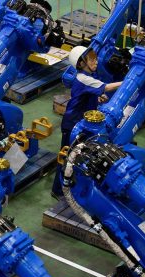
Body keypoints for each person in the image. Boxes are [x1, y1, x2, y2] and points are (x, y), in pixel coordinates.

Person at [51, 46, 123, 199]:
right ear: (82, 63)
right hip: (73, 124)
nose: (96, 62)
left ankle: (71, 185)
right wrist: (127, 81)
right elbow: (107, 87)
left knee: (76, 156)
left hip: (80, 122)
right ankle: (57, 190)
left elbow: (87, 94)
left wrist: (97, 98)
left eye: (96, 59)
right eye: (92, 60)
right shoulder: (84, 79)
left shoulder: (87, 77)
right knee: (67, 157)